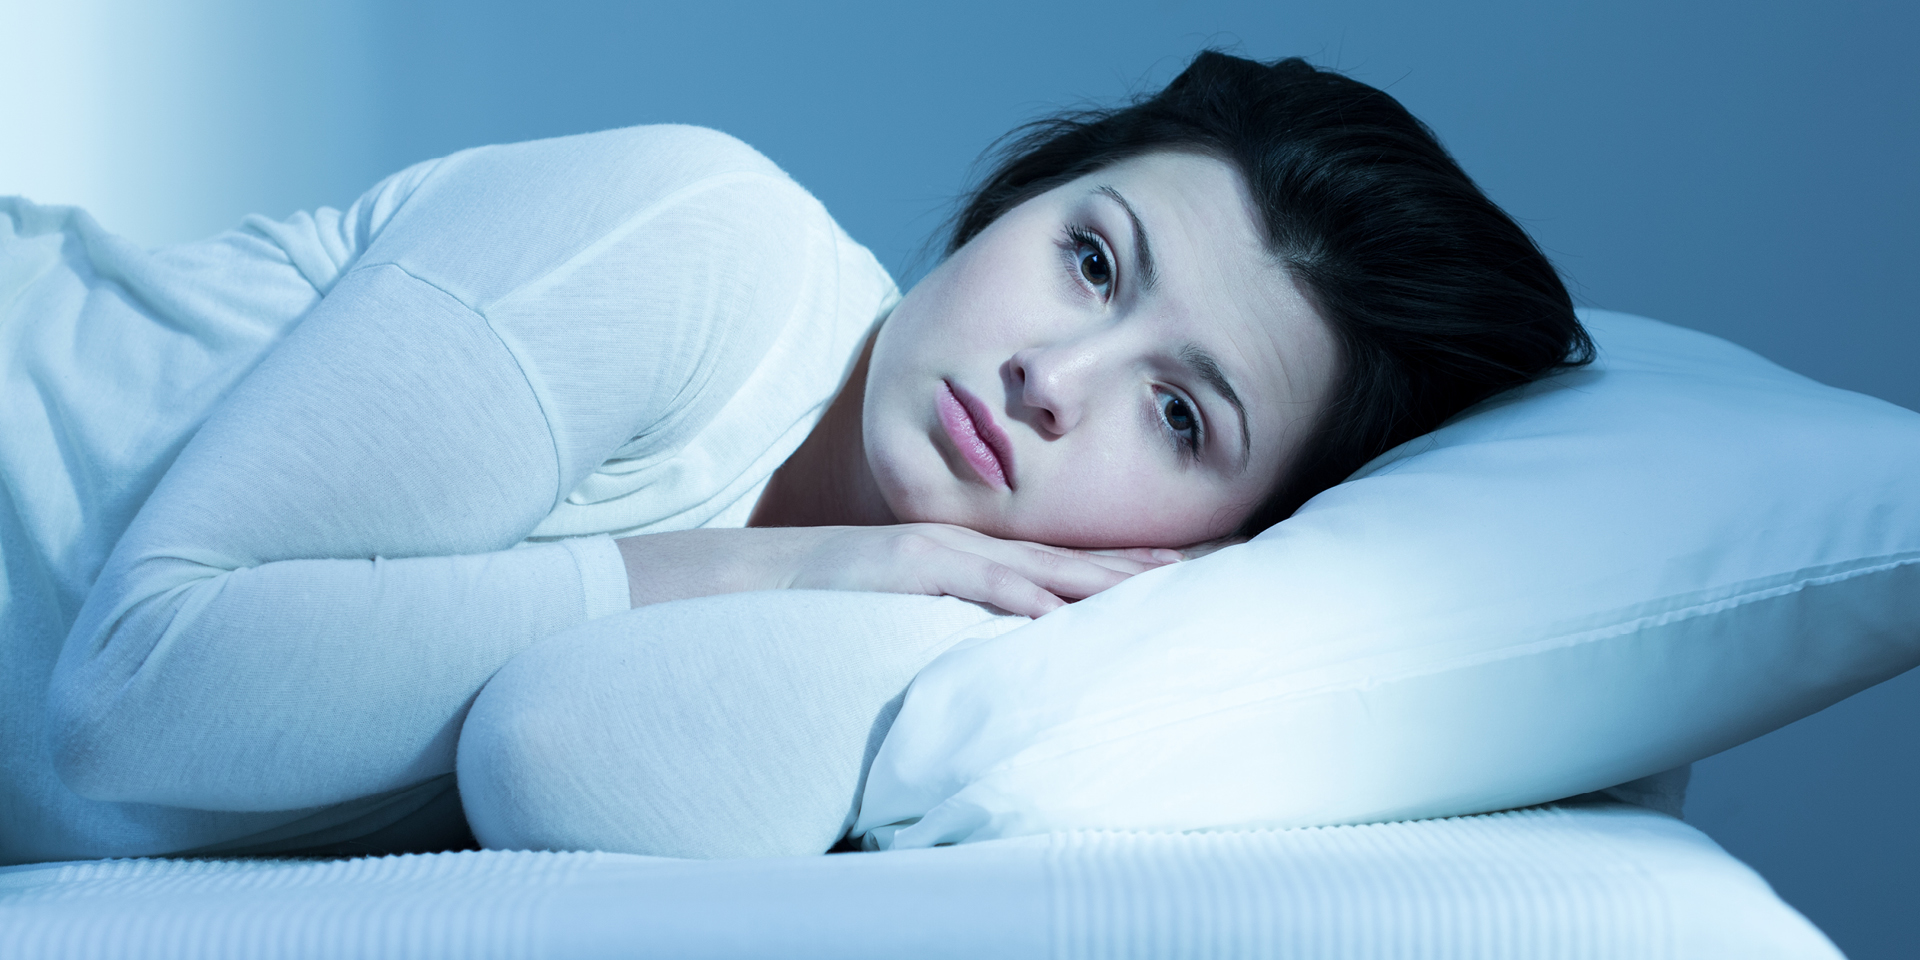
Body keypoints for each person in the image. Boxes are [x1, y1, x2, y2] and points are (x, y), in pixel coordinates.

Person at [0, 51, 1589, 865]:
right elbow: (132, 699)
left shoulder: (935, 652)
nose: (1054, 375)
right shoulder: (705, 246)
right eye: (1093, 260)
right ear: (1010, 205)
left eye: (1182, 418)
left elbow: (560, 755)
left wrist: (899, 601)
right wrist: (807, 560)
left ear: (1229, 539)